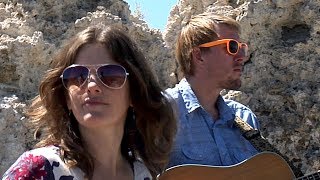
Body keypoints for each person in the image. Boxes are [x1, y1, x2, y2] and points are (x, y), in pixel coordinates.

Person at [2, 25, 176, 180]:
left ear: (134, 93)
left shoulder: (145, 174)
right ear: (66, 98)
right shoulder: (39, 170)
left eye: (110, 75)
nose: (92, 86)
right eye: (78, 76)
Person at [166, 13, 260, 168]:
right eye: (232, 47)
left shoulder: (245, 118)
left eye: (242, 48)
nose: (242, 56)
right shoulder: (162, 113)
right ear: (199, 55)